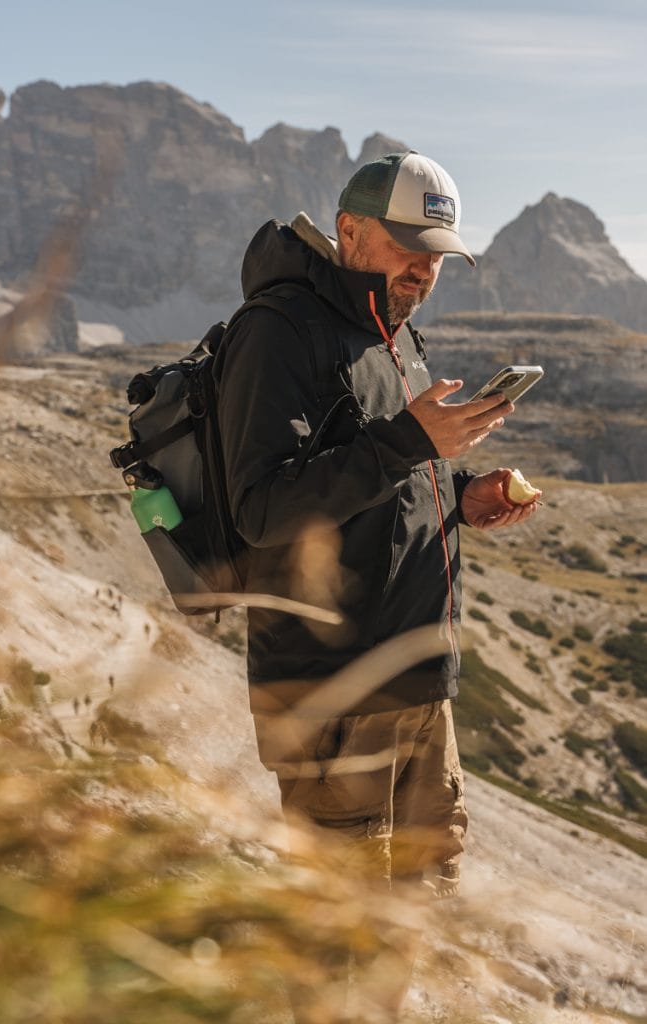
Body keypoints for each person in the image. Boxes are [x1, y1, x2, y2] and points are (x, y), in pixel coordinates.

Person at [215, 149, 539, 908]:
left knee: (419, 910)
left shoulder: (390, 332)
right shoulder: (279, 331)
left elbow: (381, 481)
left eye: (437, 257)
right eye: (409, 248)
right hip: (335, 695)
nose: (424, 271)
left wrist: (463, 495)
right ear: (349, 231)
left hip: (418, 683)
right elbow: (261, 509)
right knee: (339, 934)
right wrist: (411, 441)